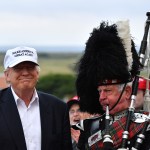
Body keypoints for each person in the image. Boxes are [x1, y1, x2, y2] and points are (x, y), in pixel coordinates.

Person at [75, 21, 150, 150]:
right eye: (100, 91)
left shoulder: (146, 125)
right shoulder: (87, 127)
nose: (101, 97)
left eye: (108, 91)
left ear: (127, 92)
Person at [0, 46, 72, 150]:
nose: (25, 72)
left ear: (37, 73)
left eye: (30, 67)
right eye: (18, 68)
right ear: (7, 75)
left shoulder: (58, 108)